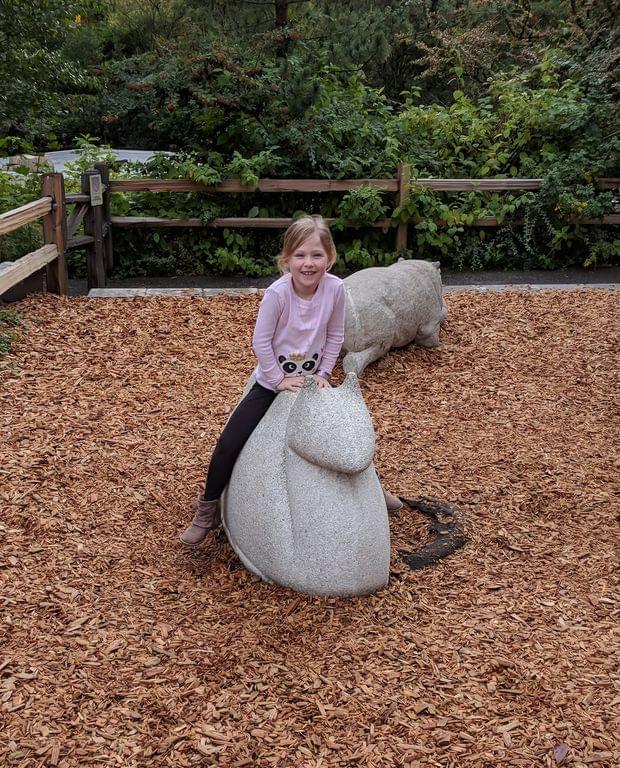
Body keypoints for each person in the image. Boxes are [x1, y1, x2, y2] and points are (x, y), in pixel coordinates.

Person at [180, 215, 402, 546]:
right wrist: (276, 379)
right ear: (287, 260)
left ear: (330, 256)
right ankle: (208, 507)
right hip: (273, 383)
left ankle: (371, 490)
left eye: (316, 255)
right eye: (300, 255)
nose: (308, 263)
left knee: (345, 431)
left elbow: (335, 334)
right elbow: (261, 341)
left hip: (315, 380)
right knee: (230, 440)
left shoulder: (336, 289)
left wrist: (325, 373)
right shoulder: (278, 294)